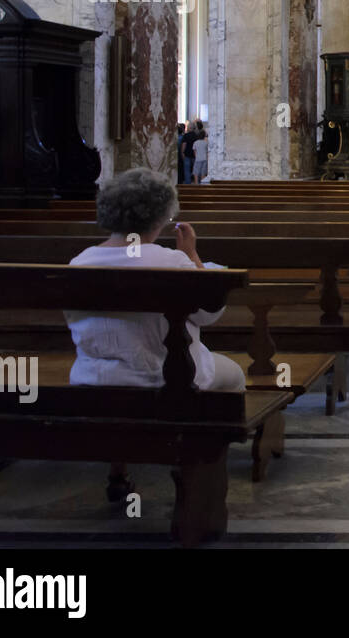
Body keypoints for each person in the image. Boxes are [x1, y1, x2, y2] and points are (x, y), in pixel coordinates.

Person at [64, 167, 245, 502]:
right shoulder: (172, 261)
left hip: (94, 379)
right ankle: (201, 464)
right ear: (161, 216)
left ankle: (118, 472)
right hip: (165, 380)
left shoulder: (80, 262)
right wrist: (192, 255)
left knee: (120, 388)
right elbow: (208, 314)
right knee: (233, 376)